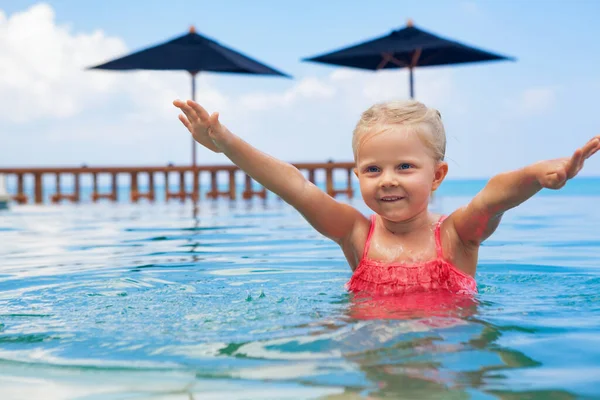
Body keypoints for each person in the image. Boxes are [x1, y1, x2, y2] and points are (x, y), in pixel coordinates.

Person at [173, 99, 600, 298]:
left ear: (438, 176)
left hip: (447, 357)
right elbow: (295, 186)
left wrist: (538, 175)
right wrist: (228, 144)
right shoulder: (356, 234)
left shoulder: (455, 236)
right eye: (373, 169)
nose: (387, 180)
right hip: (368, 353)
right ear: (357, 175)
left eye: (405, 167)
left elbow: (493, 198)